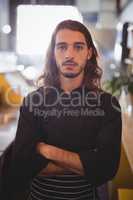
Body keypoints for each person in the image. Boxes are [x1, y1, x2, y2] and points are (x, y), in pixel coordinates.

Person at [1, 20, 122, 200]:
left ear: (89, 53)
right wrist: (85, 160)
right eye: (62, 47)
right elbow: (22, 164)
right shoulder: (34, 101)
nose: (69, 55)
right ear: (53, 53)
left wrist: (48, 151)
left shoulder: (107, 105)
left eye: (78, 47)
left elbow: (107, 168)